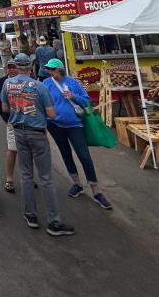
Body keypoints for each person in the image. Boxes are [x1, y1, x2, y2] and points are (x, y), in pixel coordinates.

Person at [0, 54, 74, 236]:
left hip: (18, 130)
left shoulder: (7, 84)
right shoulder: (39, 86)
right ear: (30, 66)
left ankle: (30, 215)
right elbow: (52, 114)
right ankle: (54, 222)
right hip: (37, 132)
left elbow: (5, 108)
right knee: (46, 177)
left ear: (16, 66)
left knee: (25, 174)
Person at [43, 58, 112, 209]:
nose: (50, 71)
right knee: (65, 153)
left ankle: (96, 191)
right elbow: (42, 101)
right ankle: (77, 184)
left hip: (75, 125)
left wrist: (74, 96)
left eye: (52, 69)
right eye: (48, 69)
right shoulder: (46, 84)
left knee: (84, 156)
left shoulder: (73, 83)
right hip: (55, 125)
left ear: (60, 70)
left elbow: (86, 101)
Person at [0, 58, 19, 193]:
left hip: (26, 121)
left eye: (14, 66)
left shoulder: (25, 80)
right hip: (11, 120)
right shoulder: (1, 81)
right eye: (9, 67)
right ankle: (9, 179)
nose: (11, 69)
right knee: (12, 149)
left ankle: (28, 176)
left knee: (27, 151)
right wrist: (6, 118)